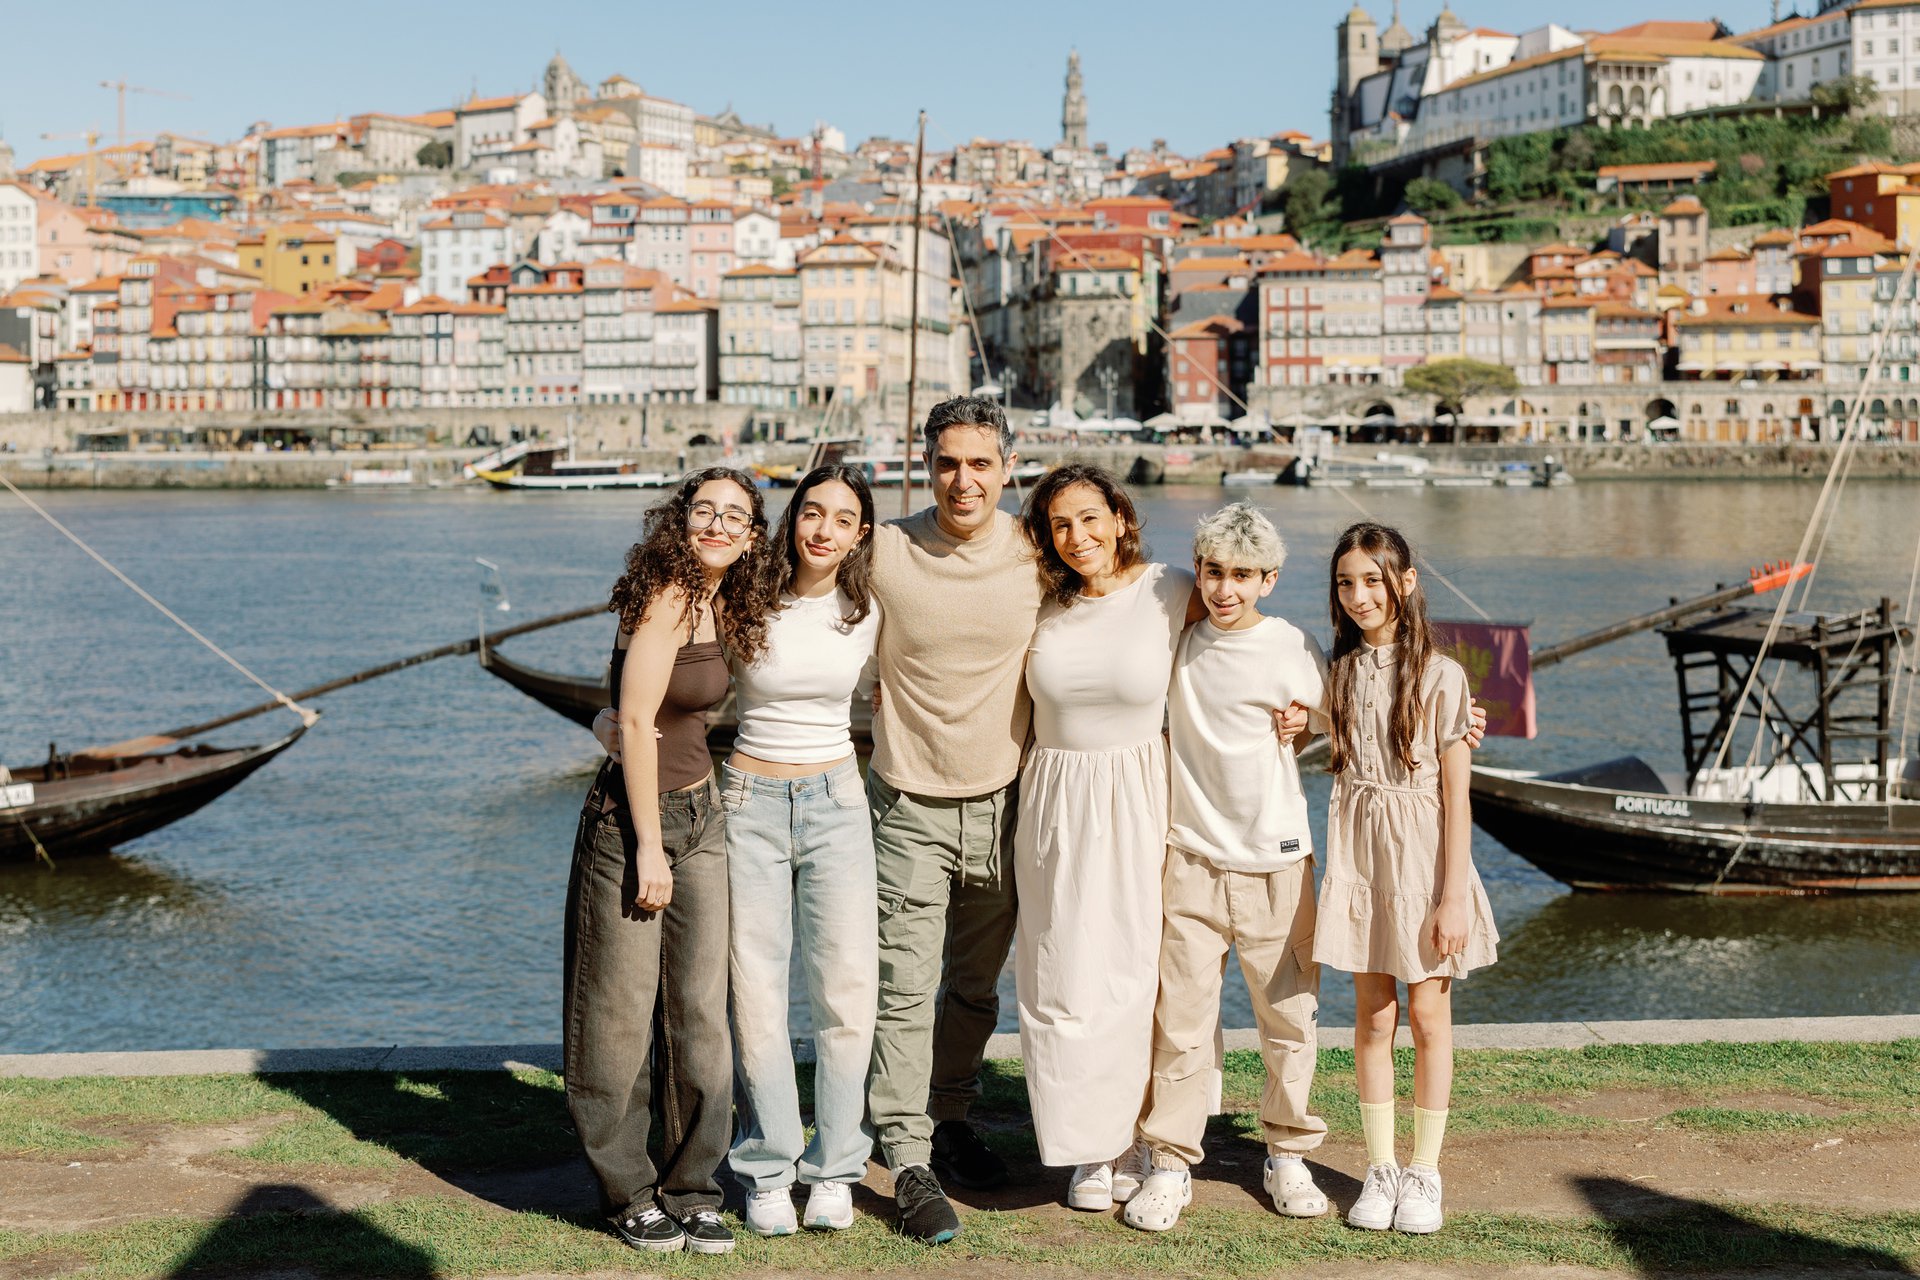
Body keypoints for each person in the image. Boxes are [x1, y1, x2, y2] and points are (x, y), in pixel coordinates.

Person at [564, 467, 775, 1256]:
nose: (718, 524)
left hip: (702, 814)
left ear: (752, 536)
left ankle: (692, 1190)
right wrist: (650, 846)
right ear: (680, 521)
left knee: (699, 1013)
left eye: (735, 516)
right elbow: (635, 725)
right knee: (617, 1014)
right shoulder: (662, 596)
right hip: (634, 824)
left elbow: (630, 711)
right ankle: (629, 1192)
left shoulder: (723, 600)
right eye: (704, 510)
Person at [864, 395, 1045, 1245]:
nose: (962, 480)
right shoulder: (883, 549)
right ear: (926, 467)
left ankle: (949, 1117)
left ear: (1008, 466)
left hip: (1008, 803)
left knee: (974, 988)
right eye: (946, 463)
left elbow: (1142, 611)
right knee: (903, 989)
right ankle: (906, 1157)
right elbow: (783, 605)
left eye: (979, 463)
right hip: (907, 803)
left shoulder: (1041, 552)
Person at [1124, 503, 1333, 1234]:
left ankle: (1288, 1152)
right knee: (1180, 1022)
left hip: (1279, 862)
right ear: (1198, 570)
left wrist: (1308, 722)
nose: (1225, 589)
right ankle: (1171, 1160)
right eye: (1214, 572)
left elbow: (1343, 716)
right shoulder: (1176, 642)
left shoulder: (1294, 646)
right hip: (1190, 859)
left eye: (1243, 575)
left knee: (1289, 1019)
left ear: (1269, 580)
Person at [1012, 463, 1193, 1213]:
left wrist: (1298, 712)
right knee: (1060, 973)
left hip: (1140, 793)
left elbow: (1251, 644)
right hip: (1053, 795)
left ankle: (1137, 1137)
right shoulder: (1038, 603)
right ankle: (1086, 1143)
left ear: (1120, 518)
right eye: (1059, 524)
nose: (1077, 535)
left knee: (1137, 970)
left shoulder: (1172, 589)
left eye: (1089, 517)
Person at [1314, 520, 1499, 1236]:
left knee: (1426, 1014)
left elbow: (1458, 794)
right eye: (1345, 583)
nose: (1359, 595)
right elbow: (1303, 720)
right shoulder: (1339, 671)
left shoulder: (1443, 676)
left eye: (1372, 579)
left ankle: (1425, 1168)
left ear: (1406, 581)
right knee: (1372, 1015)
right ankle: (1381, 1166)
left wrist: (1454, 896)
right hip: (1362, 855)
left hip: (1424, 859)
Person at [717, 465, 882, 1237]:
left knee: (846, 991)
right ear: (792, 520)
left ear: (860, 535)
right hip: (748, 800)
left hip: (837, 803)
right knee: (754, 991)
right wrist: (611, 719)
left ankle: (835, 1169)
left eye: (842, 519)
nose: (824, 529)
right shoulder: (742, 596)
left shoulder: (869, 609)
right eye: (813, 513)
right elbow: (674, 661)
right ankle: (768, 1169)